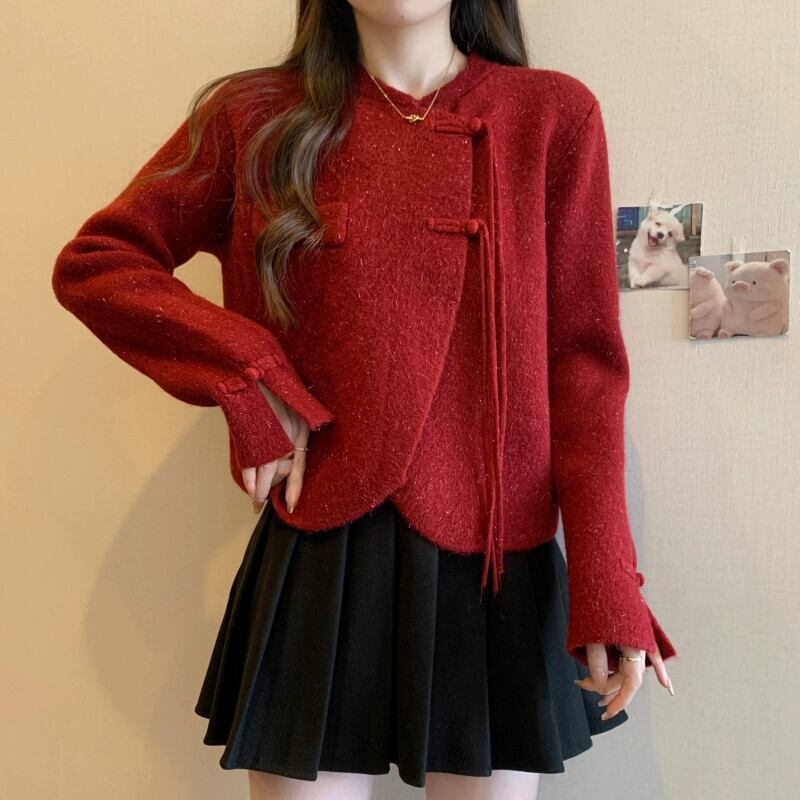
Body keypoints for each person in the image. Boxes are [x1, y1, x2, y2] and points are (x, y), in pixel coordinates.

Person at [51, 1, 678, 798]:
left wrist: (607, 580)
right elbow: (100, 264)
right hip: (321, 546)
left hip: (499, 555)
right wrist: (251, 378)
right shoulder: (254, 116)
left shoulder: (551, 116)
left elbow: (585, 371)